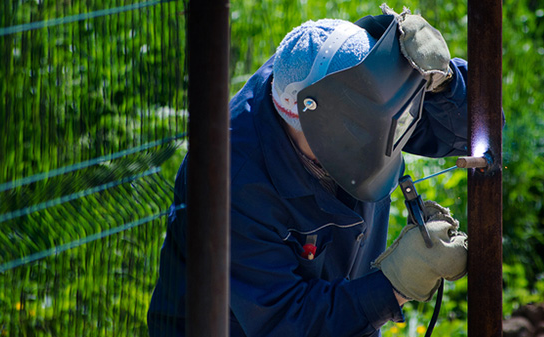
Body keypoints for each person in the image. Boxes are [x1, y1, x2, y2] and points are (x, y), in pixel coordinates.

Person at [149, 4, 473, 336]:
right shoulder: (229, 182)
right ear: (319, 124)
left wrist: (444, 86)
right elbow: (286, 322)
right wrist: (396, 285)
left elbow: (478, 132)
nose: (380, 145)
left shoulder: (351, 97)